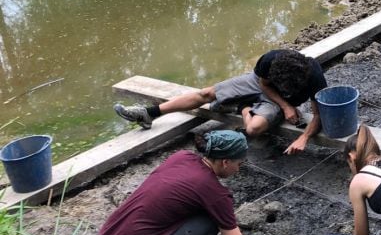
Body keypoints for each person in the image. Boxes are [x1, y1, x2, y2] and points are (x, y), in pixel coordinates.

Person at [98, 130, 280, 235]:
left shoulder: (182, 157)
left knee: (193, 209)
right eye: (238, 164)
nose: (238, 170)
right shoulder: (215, 193)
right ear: (225, 162)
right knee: (209, 220)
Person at [114, 49, 328, 155]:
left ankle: (243, 107)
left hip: (273, 102)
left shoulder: (315, 77)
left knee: (254, 128)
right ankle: (149, 113)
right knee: (207, 94)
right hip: (262, 89)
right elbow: (263, 84)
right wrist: (286, 105)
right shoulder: (271, 60)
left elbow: (319, 115)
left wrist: (304, 138)